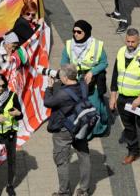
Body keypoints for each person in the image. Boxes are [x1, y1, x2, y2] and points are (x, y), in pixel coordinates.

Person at [45, 64, 92, 196]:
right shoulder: (83, 85)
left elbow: (48, 102)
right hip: (81, 126)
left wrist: (49, 87)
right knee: (84, 156)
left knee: (62, 161)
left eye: (61, 75)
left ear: (65, 78)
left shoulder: (62, 93)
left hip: (64, 130)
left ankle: (64, 192)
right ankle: (83, 190)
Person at [109, 27, 140, 164]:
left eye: (133, 42)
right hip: (123, 98)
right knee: (128, 127)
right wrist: (113, 95)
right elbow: (116, 74)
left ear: (138, 40)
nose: (129, 44)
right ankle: (133, 151)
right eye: (127, 41)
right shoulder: (121, 51)